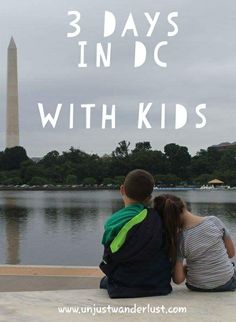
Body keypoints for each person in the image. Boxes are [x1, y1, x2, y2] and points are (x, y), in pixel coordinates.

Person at [99, 169, 172, 298]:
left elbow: (108, 253)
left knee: (103, 282)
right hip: (158, 284)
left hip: (122, 285)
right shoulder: (158, 218)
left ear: (122, 189)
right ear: (149, 197)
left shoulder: (114, 221)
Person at [153, 194, 236, 292]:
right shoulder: (214, 221)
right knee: (232, 266)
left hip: (197, 286)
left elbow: (178, 279)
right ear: (183, 204)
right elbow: (231, 253)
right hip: (226, 283)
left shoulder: (179, 239)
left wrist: (184, 268)